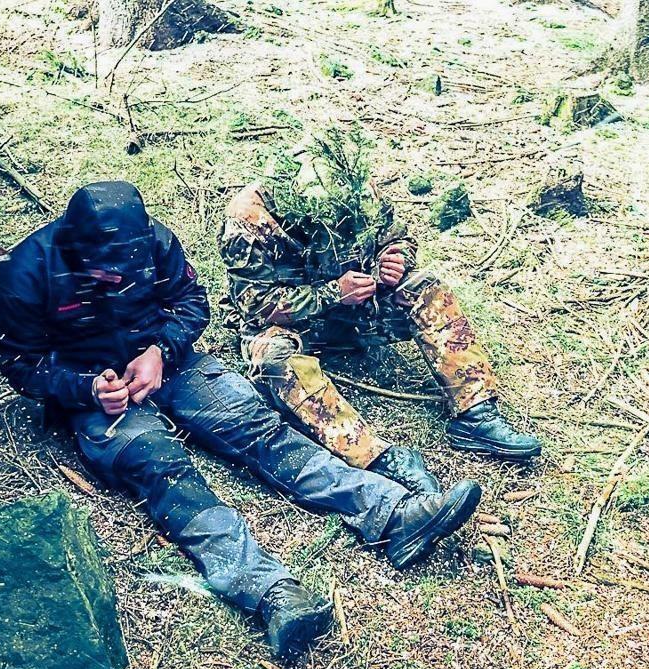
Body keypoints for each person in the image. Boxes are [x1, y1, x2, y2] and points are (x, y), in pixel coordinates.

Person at [0, 181, 482, 661]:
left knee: (260, 429)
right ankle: (273, 593)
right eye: (104, 273)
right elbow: (21, 363)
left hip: (173, 366)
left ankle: (394, 513)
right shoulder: (26, 273)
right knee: (163, 471)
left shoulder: (154, 241)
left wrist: (161, 351)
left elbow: (191, 303)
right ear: (75, 250)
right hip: (98, 396)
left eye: (127, 271)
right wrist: (87, 389)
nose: (118, 281)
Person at [219, 131, 541, 493]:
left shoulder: (358, 191)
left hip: (359, 312)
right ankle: (377, 458)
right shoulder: (248, 219)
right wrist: (332, 294)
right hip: (292, 327)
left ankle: (475, 412)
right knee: (275, 356)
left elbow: (398, 236)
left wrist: (396, 258)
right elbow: (256, 305)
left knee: (425, 286)